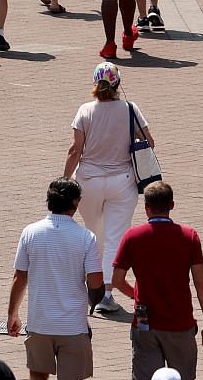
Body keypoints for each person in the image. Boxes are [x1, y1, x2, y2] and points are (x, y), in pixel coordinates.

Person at [7, 176, 105, 380]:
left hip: (40, 320)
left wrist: (12, 314)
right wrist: (93, 300)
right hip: (73, 324)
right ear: (75, 203)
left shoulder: (31, 232)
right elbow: (96, 282)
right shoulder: (85, 238)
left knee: (37, 375)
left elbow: (19, 277)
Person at [65, 61, 151, 320]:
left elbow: (75, 150)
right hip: (121, 181)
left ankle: (88, 286)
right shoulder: (129, 108)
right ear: (118, 84)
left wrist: (63, 179)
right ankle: (106, 295)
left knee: (94, 234)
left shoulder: (85, 110)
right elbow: (149, 141)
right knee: (115, 237)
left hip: (88, 181)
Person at [112, 183, 203, 380]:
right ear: (172, 205)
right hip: (180, 321)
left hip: (144, 321)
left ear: (146, 208)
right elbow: (201, 283)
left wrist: (135, 294)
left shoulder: (133, 236)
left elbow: (117, 279)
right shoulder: (189, 236)